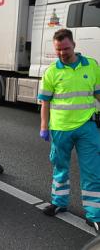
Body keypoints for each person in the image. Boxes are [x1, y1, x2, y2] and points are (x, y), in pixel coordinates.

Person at [38, 28, 100, 234]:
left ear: (74, 45)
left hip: (87, 127)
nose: (62, 53)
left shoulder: (92, 66)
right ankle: (59, 203)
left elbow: (99, 94)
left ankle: (94, 216)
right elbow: (45, 102)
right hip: (60, 129)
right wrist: (44, 127)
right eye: (58, 50)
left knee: (92, 172)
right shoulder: (51, 72)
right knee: (60, 168)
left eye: (65, 48)